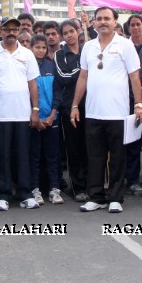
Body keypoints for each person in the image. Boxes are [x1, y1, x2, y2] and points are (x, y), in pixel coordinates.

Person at [71, 7, 142, 214]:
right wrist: (75, 105)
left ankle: (115, 197)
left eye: (107, 18)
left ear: (115, 22)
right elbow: (83, 77)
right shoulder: (89, 47)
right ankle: (96, 197)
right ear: (93, 22)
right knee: (95, 156)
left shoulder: (125, 45)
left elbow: (134, 77)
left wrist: (138, 104)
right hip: (93, 112)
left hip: (118, 112)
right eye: (99, 19)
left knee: (118, 156)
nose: (102, 22)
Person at [0, 17, 41, 211]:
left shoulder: (27, 54)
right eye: (7, 28)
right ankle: (3, 194)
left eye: (15, 29)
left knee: (23, 155)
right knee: (2, 155)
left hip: (23, 114)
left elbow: (33, 84)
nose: (11, 32)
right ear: (0, 30)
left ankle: (25, 193)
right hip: (0, 114)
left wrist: (35, 110)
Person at [53, 20, 87, 202]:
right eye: (65, 33)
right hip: (69, 108)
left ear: (78, 31)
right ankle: (78, 187)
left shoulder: (89, 49)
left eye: (72, 31)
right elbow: (64, 77)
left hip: (90, 106)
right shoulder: (60, 54)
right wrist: (83, 70)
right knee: (73, 149)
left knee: (89, 148)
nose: (69, 35)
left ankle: (93, 184)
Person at [29, 34, 61, 205]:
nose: (40, 50)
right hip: (34, 120)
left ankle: (54, 189)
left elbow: (58, 92)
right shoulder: (27, 66)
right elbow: (25, 94)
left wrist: (51, 114)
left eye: (43, 47)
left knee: (52, 156)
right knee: (34, 156)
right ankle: (35, 189)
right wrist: (35, 116)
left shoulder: (52, 65)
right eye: (37, 47)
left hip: (52, 118)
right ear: (31, 48)